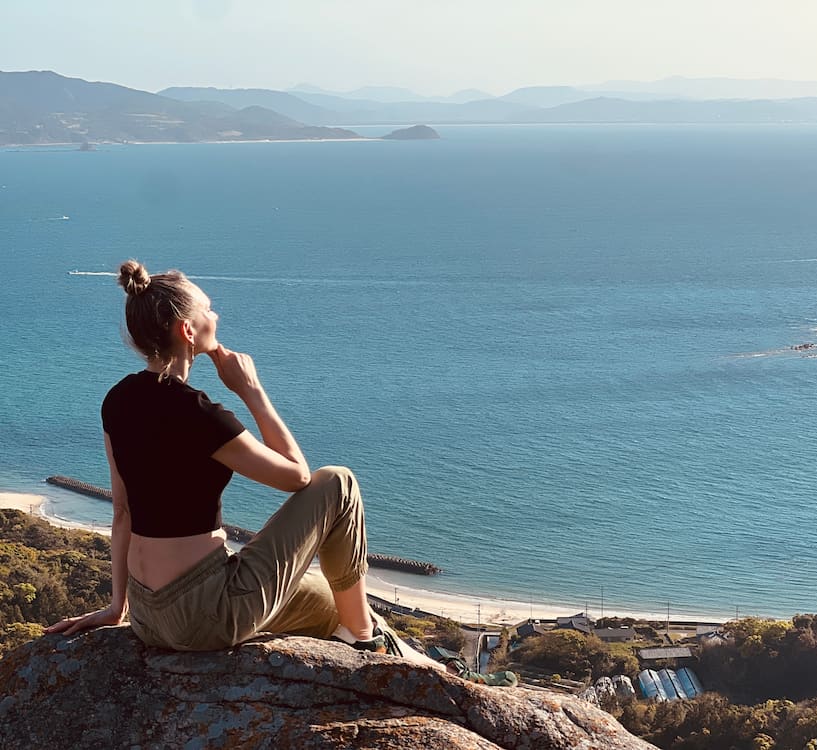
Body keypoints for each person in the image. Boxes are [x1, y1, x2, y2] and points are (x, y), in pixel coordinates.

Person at [46, 260, 516, 687]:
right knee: (340, 482)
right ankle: (368, 645)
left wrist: (118, 607)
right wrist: (251, 390)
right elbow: (298, 477)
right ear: (188, 331)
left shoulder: (118, 400)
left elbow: (123, 510)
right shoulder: (199, 414)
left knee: (332, 598)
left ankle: (428, 669)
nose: (218, 317)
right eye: (210, 309)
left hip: (151, 615)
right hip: (208, 613)